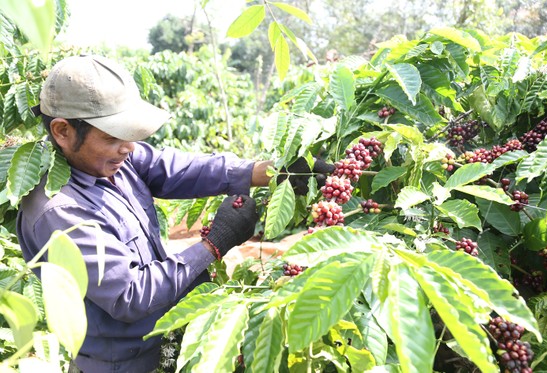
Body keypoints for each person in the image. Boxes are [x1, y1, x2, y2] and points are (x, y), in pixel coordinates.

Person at [16, 55, 333, 373]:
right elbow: (131, 295)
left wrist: (268, 172)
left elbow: (178, 169)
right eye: (112, 137)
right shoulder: (58, 210)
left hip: (161, 345)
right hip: (117, 366)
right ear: (63, 131)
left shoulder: (110, 160)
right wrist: (214, 243)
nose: (128, 147)